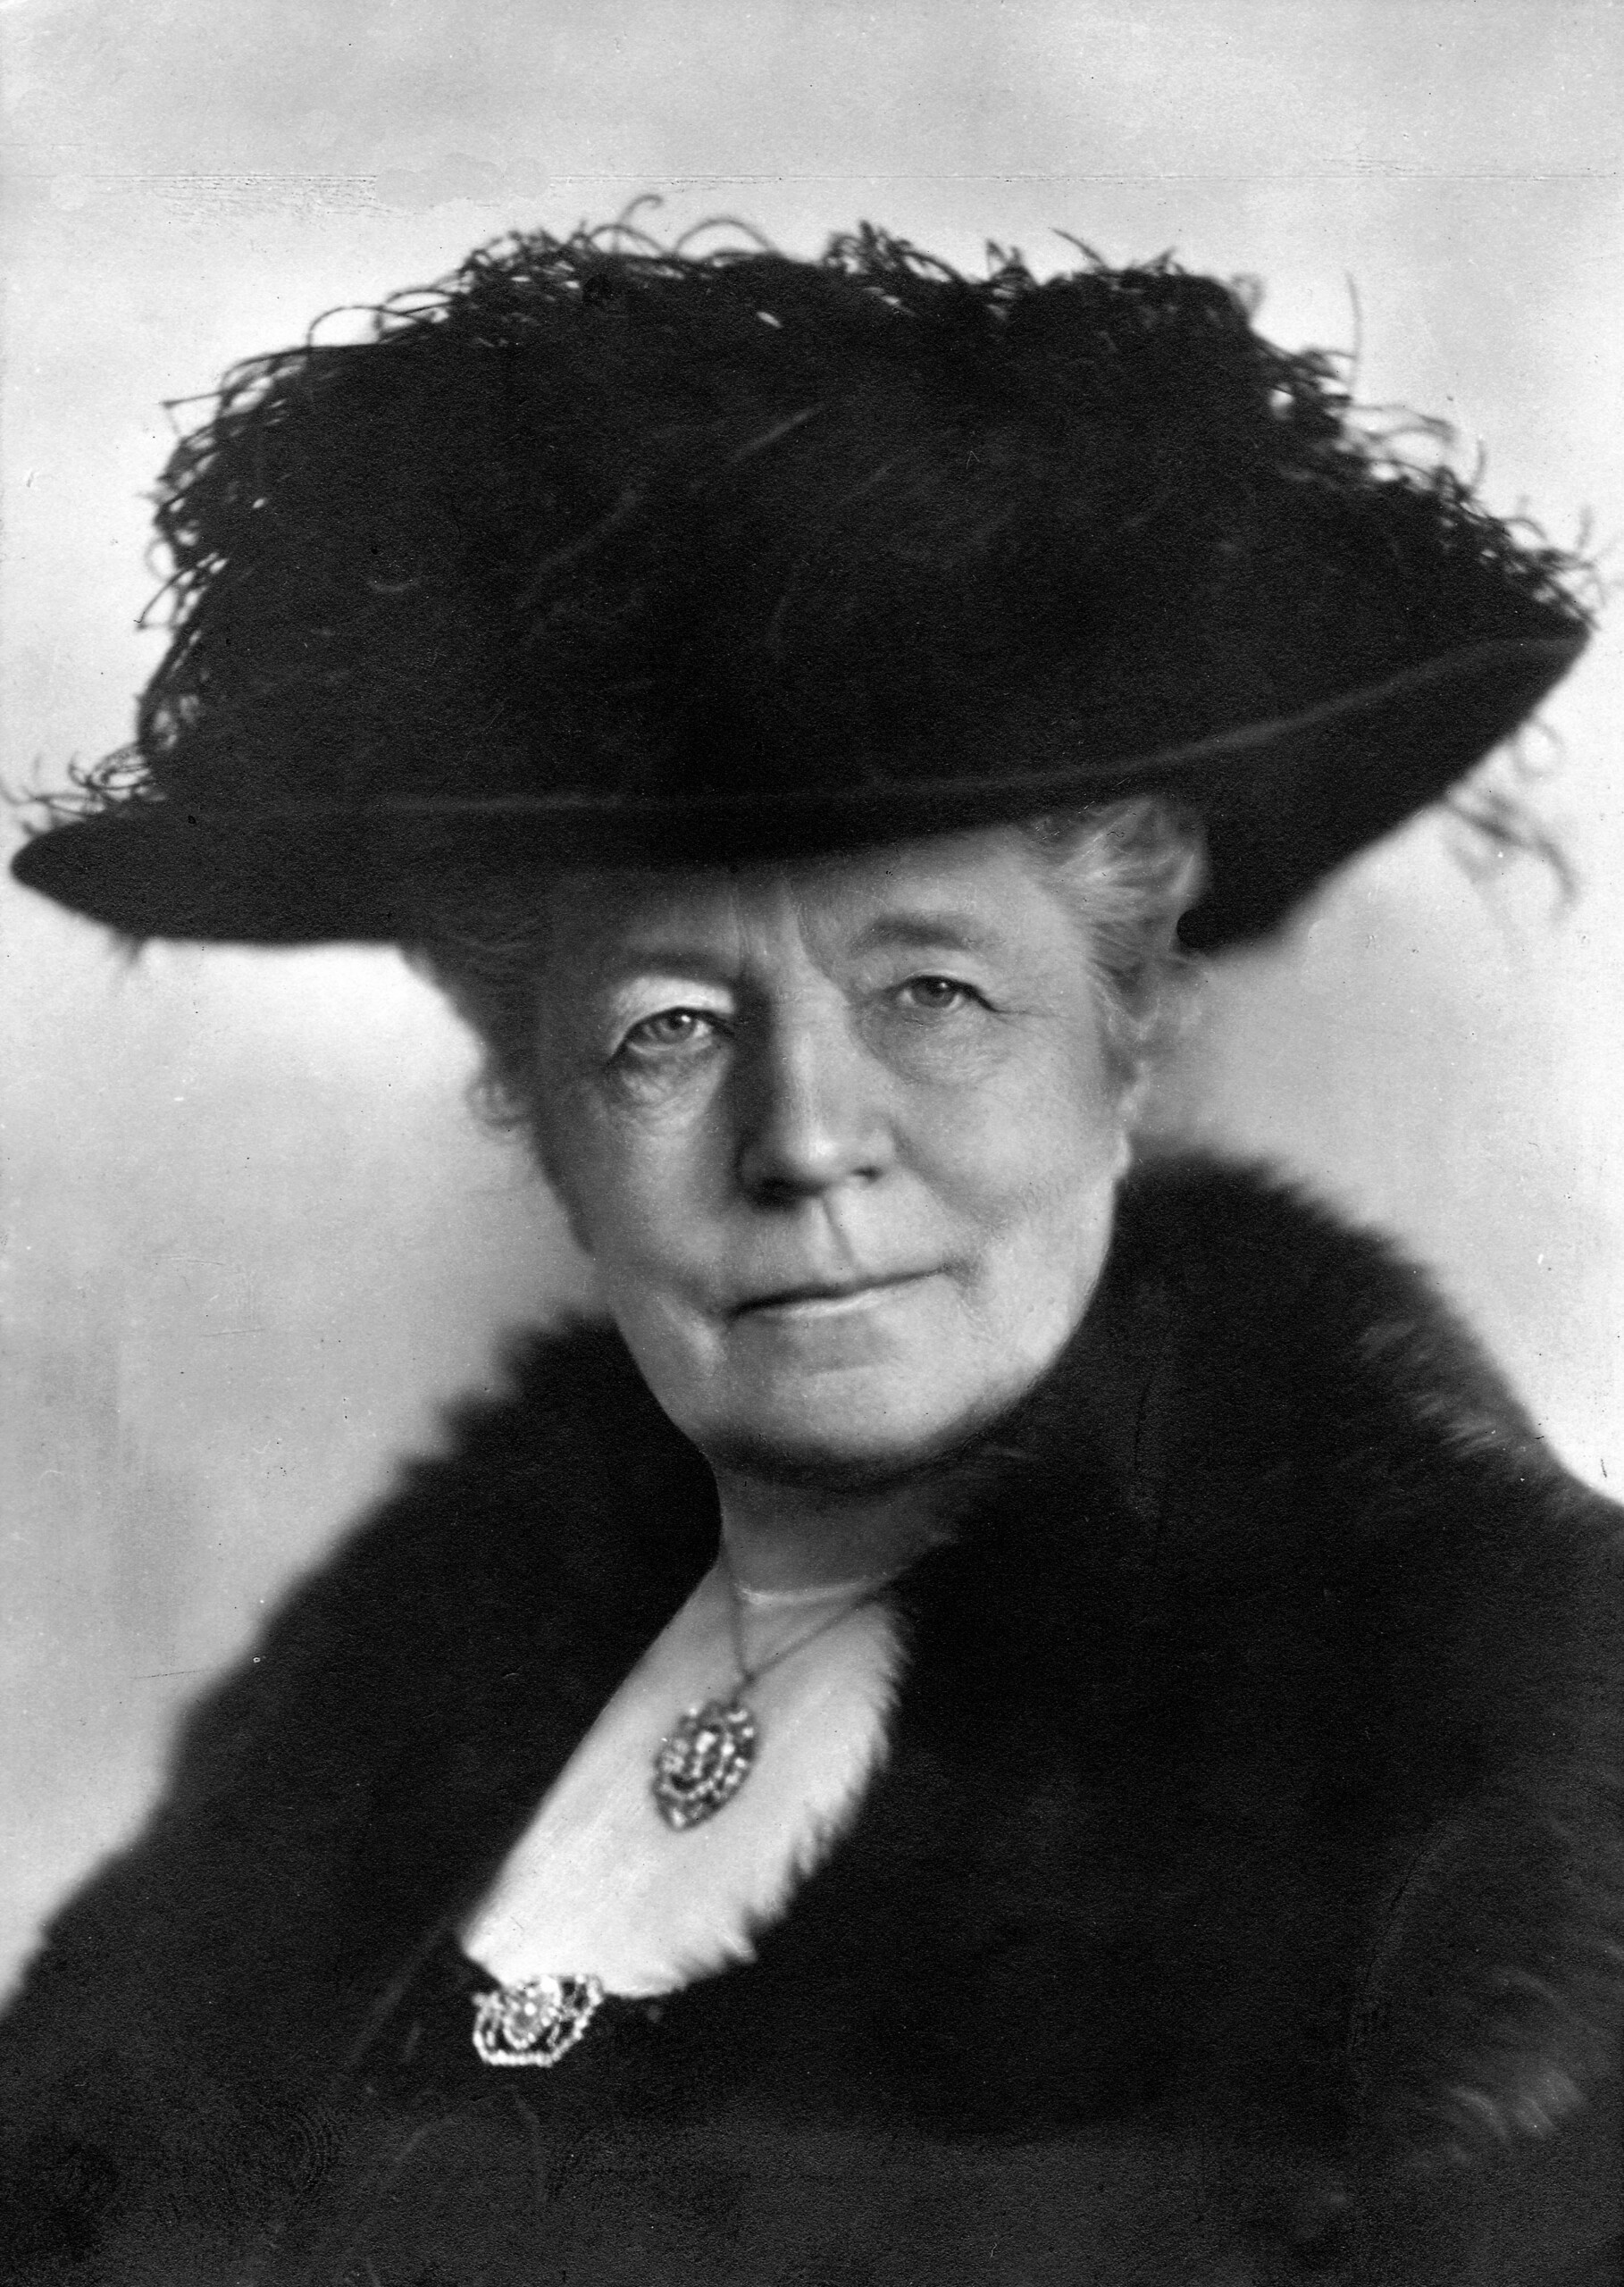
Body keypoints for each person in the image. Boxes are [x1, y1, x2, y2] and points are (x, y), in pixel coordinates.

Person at [2, 226, 1620, 2286]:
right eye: (669, 1028)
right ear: (544, 1116)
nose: (804, 1139)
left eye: (933, 991)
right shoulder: (355, 1736)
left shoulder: (1477, 1792)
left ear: (1124, 1040)